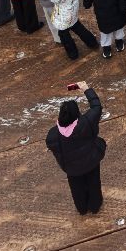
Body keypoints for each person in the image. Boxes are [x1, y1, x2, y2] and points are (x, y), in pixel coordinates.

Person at [47, 81, 107, 215]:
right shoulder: (86, 122)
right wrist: (86, 89)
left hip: (72, 169)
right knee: (94, 182)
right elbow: (96, 106)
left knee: (76, 188)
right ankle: (95, 205)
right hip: (91, 161)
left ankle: (82, 208)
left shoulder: (53, 135)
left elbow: (51, 145)